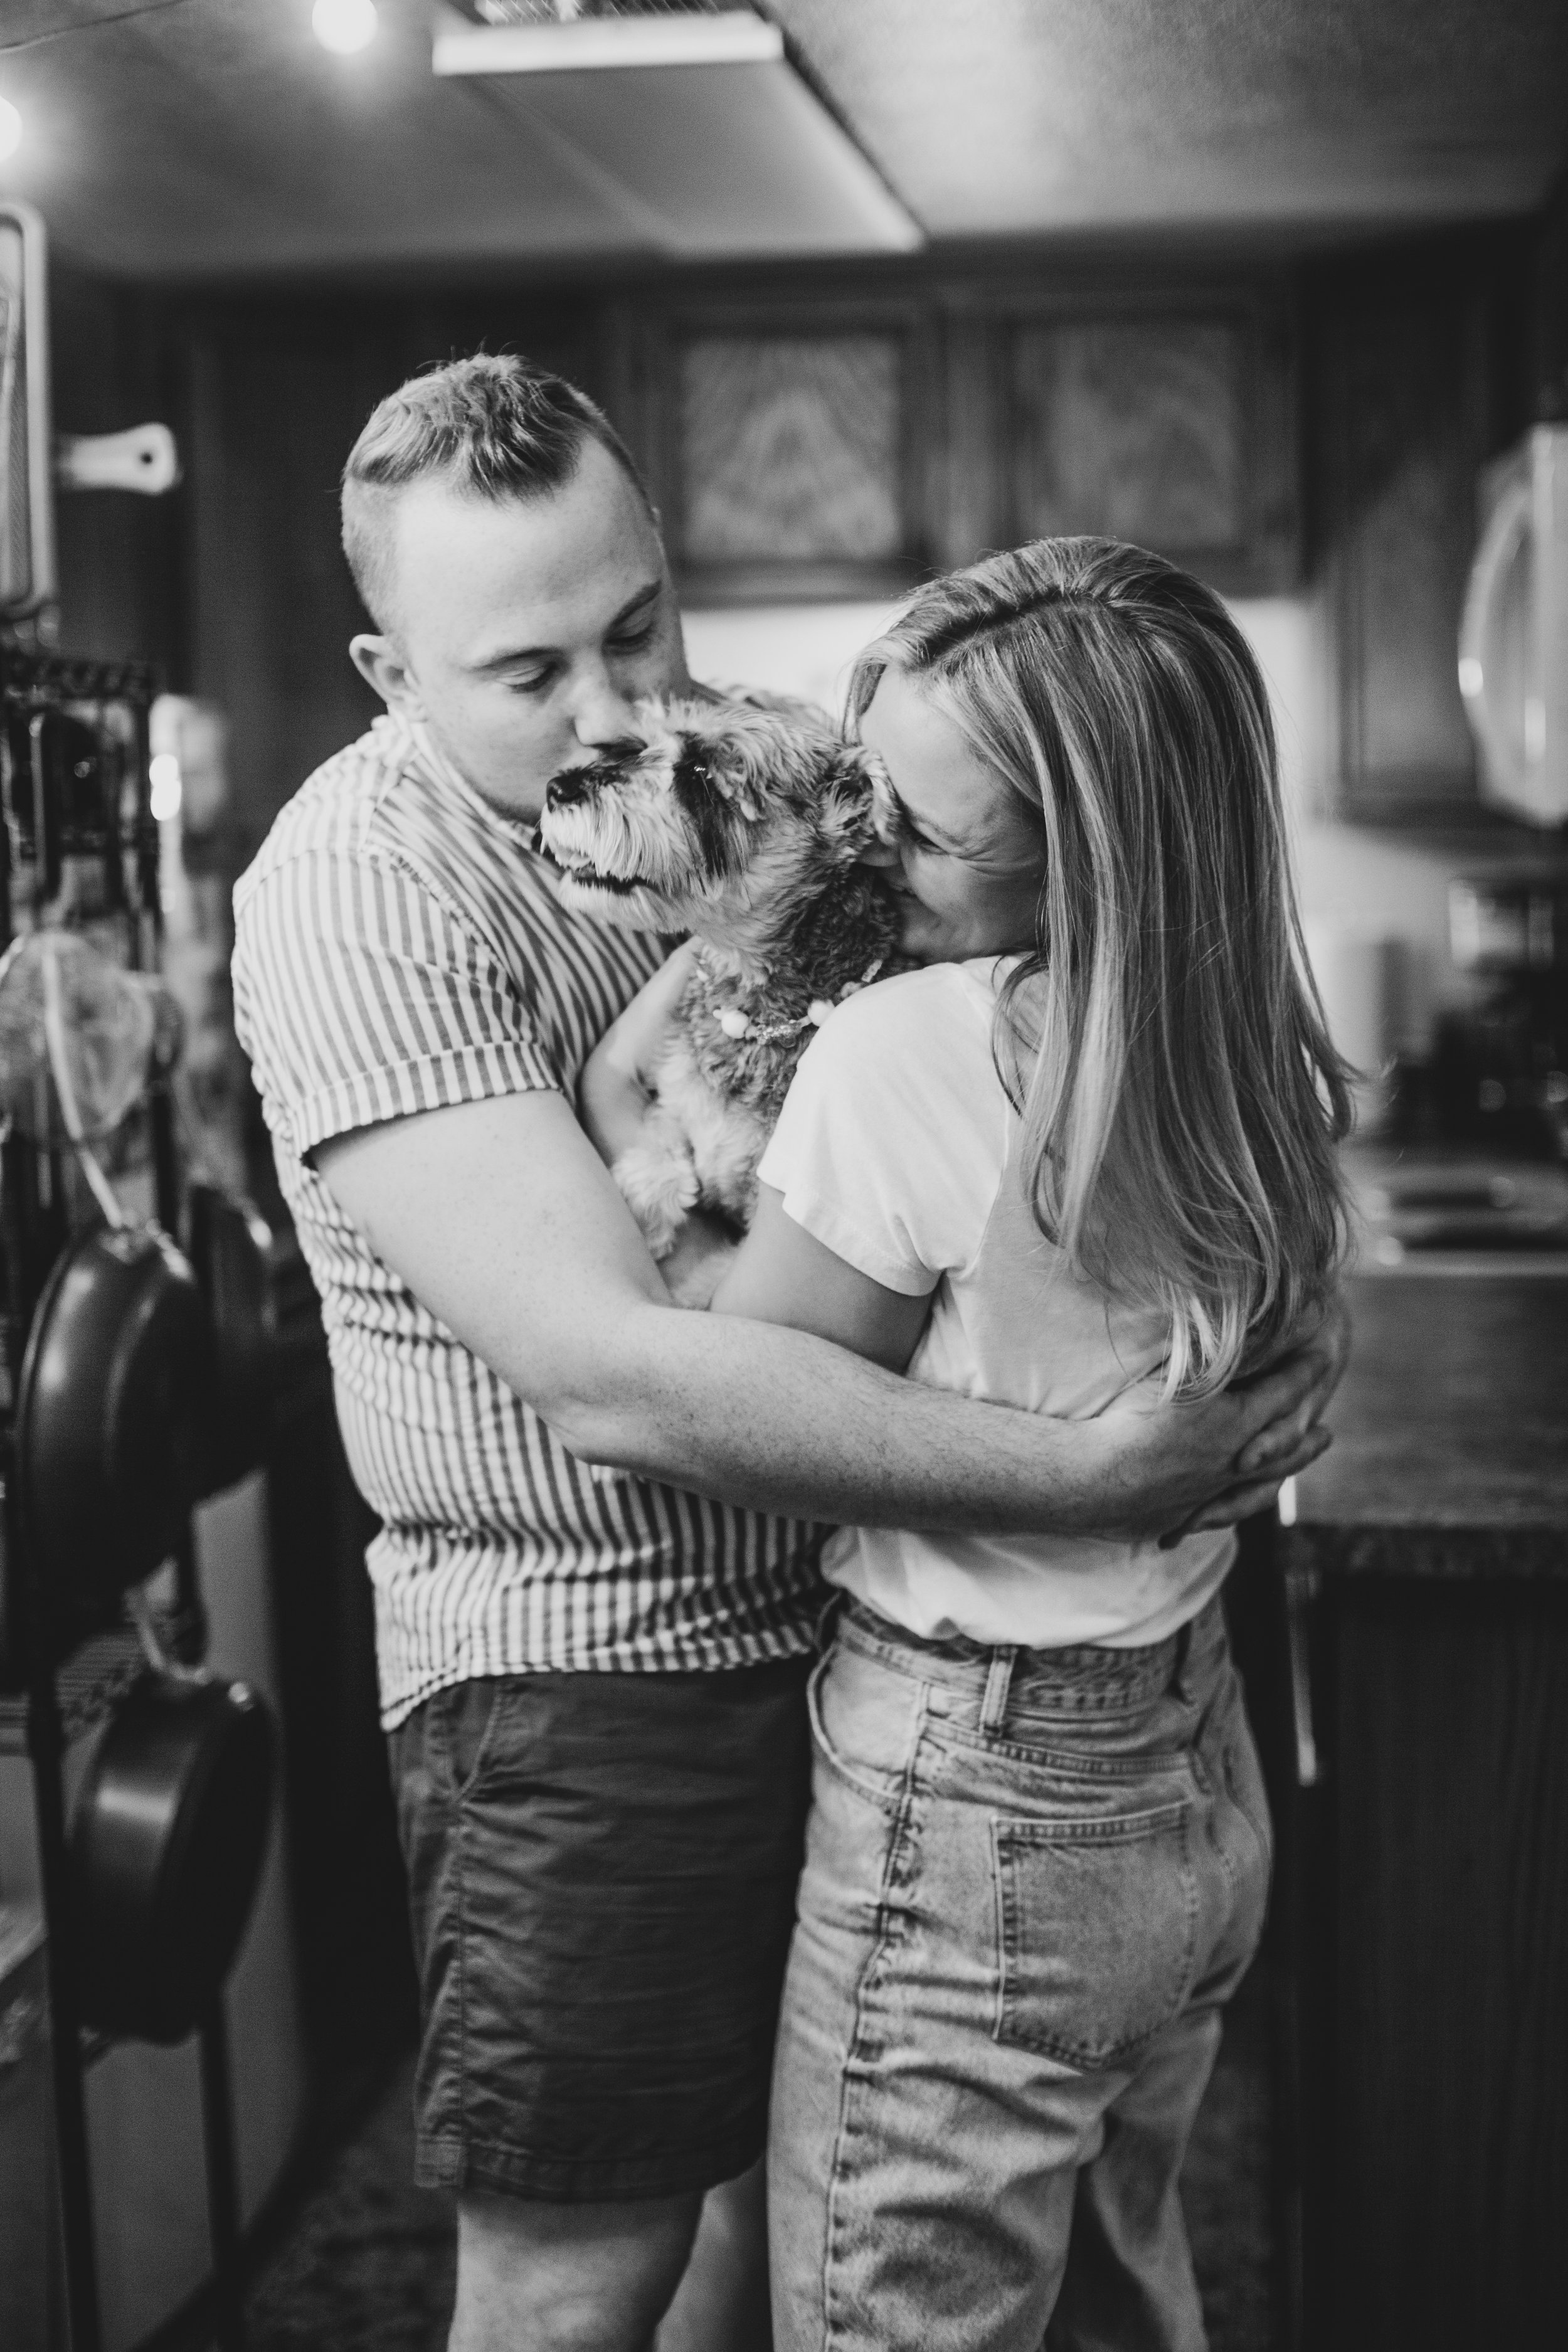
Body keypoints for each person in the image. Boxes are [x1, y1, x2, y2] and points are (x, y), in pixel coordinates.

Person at [230, 356, 1343, 2352]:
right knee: (588, 2274)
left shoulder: (759, 775)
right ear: (390, 672)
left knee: (789, 2253)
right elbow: (613, 1375)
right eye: (528, 674)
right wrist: (1107, 1473)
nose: (615, 710)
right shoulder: (354, 898)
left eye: (637, 626)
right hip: (598, 1680)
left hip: (854, 1646)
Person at [650, 538, 1344, 2351]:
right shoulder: (1240, 1029)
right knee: (1112, 2291)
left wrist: (668, 1193)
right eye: (862, 782)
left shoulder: (913, 1050)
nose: (860, 852)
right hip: (1186, 1763)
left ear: (1086, 859)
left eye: (924, 835)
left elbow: (748, 1402)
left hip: (984, 1800)